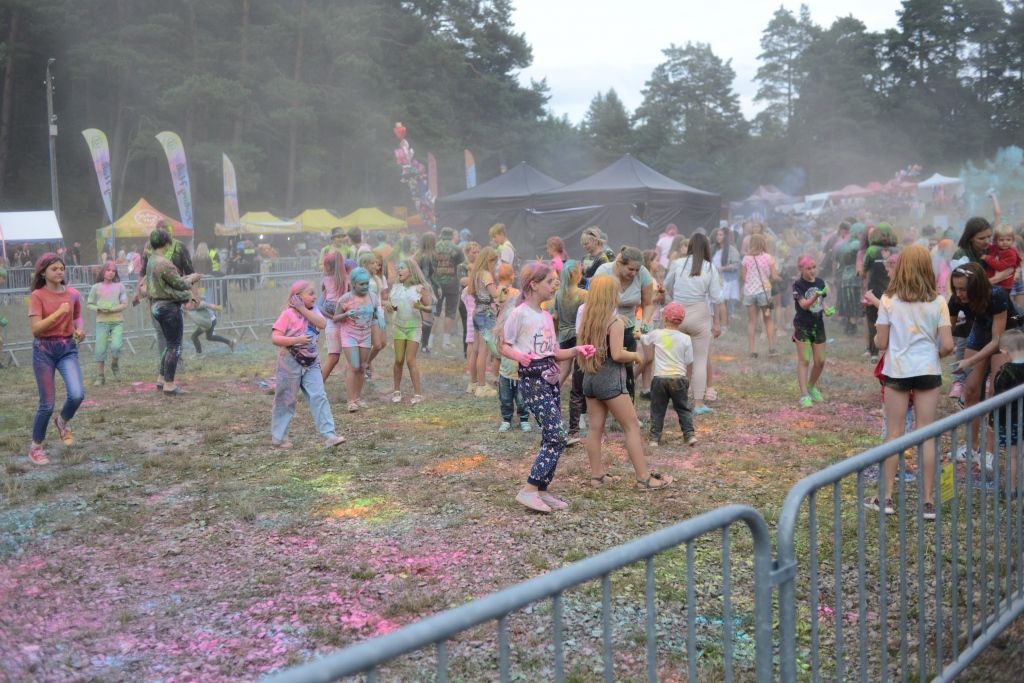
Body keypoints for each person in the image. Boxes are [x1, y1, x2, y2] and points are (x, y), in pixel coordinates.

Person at [499, 263, 596, 512]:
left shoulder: (546, 317)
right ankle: (529, 489)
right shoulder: (519, 314)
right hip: (533, 381)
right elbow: (503, 345)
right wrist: (519, 357)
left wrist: (576, 350)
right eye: (550, 281)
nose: (555, 285)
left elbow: (554, 353)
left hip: (550, 380)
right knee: (557, 436)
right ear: (533, 285)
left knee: (552, 437)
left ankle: (541, 491)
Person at [866, 245, 953, 519]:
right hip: (928, 370)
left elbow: (881, 343)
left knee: (894, 433)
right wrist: (933, 355)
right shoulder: (939, 302)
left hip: (898, 371)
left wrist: (880, 334)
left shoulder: (888, 300)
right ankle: (928, 502)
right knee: (926, 433)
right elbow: (948, 345)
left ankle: (885, 498)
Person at [576, 275, 673, 491]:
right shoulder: (615, 322)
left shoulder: (587, 320)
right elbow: (618, 354)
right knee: (631, 427)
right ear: (611, 295)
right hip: (611, 380)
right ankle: (644, 479)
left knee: (595, 429)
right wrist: (636, 356)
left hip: (590, 379)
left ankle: (597, 476)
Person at [949, 262, 1011, 470]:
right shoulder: (956, 299)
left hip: (1005, 337)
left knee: (995, 393)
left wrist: (970, 361)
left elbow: (997, 340)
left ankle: (989, 452)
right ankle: (971, 446)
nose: (959, 294)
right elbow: (946, 330)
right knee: (971, 389)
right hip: (979, 333)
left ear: (975, 286)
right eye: (955, 288)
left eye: (963, 289)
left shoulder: (997, 296)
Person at [270, 281, 346, 450]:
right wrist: (296, 340)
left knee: (319, 396)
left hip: (311, 362)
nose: (314, 296)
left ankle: (329, 435)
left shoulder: (314, 311)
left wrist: (302, 309)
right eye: (310, 294)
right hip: (289, 363)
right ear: (297, 297)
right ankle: (278, 438)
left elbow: (323, 324)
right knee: (286, 400)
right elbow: (275, 338)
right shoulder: (288, 315)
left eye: (314, 293)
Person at [27, 253, 86, 465]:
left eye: (61, 268)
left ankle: (62, 422)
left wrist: (80, 330)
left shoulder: (73, 294)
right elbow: (36, 329)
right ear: (43, 272)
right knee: (47, 403)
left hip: (67, 348)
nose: (59, 272)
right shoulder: (37, 295)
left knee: (77, 394)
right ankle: (36, 448)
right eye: (54, 269)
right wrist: (57, 314)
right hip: (43, 350)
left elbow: (77, 316)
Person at [663, 233, 725, 414]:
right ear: (706, 248)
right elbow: (717, 297)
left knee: (675, 360)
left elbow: (667, 285)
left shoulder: (678, 264)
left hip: (677, 313)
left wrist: (676, 297)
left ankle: (676, 398)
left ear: (689, 246)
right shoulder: (710, 268)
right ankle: (698, 404)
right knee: (700, 360)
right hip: (699, 314)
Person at [594, 246, 655, 402]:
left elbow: (648, 304)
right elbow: (593, 303)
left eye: (637, 270)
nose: (634, 273)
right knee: (602, 368)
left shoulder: (643, 274)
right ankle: (594, 405)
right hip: (603, 327)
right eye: (630, 269)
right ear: (620, 263)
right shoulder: (604, 272)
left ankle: (627, 407)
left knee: (627, 370)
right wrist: (614, 315)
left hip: (628, 329)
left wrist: (645, 321)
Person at [146, 229, 202, 395]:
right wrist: (192, 278)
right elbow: (179, 284)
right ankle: (169, 384)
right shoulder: (164, 263)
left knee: (169, 344)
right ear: (166, 242)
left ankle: (161, 377)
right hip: (169, 307)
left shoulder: (151, 261)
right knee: (175, 346)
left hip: (156, 305)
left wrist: (185, 279)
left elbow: (170, 281)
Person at [638, 302, 696, 447]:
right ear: (681, 321)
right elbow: (689, 360)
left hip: (660, 378)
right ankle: (689, 435)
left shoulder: (657, 334)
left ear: (664, 319)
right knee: (683, 408)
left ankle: (654, 439)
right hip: (679, 378)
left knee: (657, 410)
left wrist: (640, 333)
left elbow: (644, 338)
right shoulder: (686, 338)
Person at [335, 267, 381, 412]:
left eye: (367, 283)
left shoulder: (372, 297)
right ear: (353, 284)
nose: (365, 286)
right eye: (362, 284)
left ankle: (357, 398)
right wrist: (346, 314)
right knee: (354, 366)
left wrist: (379, 320)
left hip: (365, 335)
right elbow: (336, 318)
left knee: (362, 367)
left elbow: (375, 312)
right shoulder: (346, 299)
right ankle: (350, 401)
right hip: (350, 335)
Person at [387, 259, 433, 404]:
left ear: (411, 271)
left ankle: (417, 393)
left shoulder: (419, 289)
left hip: (414, 328)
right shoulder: (396, 288)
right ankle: (396, 390)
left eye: (402, 268)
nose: (399, 271)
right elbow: (395, 306)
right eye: (399, 268)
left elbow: (429, 307)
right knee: (399, 359)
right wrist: (390, 307)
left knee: (410, 360)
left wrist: (421, 307)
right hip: (399, 327)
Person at [552, 261, 587, 444]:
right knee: (579, 376)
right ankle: (579, 416)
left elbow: (556, 316)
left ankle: (550, 394)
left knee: (564, 370)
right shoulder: (583, 294)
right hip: (579, 337)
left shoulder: (559, 293)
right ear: (576, 275)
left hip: (564, 336)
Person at [493, 269, 532, 432]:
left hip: (522, 370)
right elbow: (500, 344)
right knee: (505, 397)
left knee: (522, 398)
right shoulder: (509, 314)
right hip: (506, 369)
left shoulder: (528, 318)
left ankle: (524, 419)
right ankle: (506, 419)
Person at [990, 328, 1024, 500]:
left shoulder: (1005, 372)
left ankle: (1011, 489)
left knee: (1012, 455)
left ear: (1004, 351)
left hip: (1010, 421)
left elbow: (998, 398)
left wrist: (993, 419)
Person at [792, 256, 830, 408]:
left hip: (818, 326)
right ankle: (804, 395)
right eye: (808, 268)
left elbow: (822, 301)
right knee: (804, 360)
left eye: (814, 267)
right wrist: (816, 295)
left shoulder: (820, 282)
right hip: (803, 326)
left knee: (820, 361)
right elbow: (804, 305)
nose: (812, 271)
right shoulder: (798, 285)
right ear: (801, 269)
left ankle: (811, 386)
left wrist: (827, 310)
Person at [861, 224, 899, 363]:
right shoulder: (897, 250)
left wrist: (860, 272)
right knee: (892, 320)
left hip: (874, 290)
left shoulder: (871, 250)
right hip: (892, 290)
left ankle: (874, 354)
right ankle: (889, 350)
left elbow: (864, 270)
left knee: (873, 321)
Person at [467, 246, 502, 397]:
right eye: (494, 262)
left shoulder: (476, 274)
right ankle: (482, 386)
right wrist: (502, 289)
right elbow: (495, 294)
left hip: (477, 311)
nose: (495, 265)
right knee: (484, 351)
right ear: (489, 261)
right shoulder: (486, 275)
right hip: (486, 312)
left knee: (475, 350)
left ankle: (473, 383)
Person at [86, 261, 128, 386]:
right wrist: (98, 308)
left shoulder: (120, 286)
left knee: (116, 346)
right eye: (108, 270)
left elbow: (124, 303)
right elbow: (89, 303)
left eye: (113, 271)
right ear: (103, 271)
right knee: (100, 349)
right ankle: (101, 376)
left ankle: (114, 364)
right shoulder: (96, 287)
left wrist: (113, 309)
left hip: (117, 321)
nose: (111, 273)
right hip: (102, 322)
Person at [741, 233, 778, 358]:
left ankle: (752, 350)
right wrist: (767, 276)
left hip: (749, 292)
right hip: (764, 292)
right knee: (768, 320)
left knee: (752, 322)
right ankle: (771, 348)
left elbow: (744, 278)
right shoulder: (768, 258)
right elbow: (775, 277)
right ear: (763, 243)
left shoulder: (746, 259)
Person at [433, 227, 466, 350]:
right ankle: (445, 342)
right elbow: (463, 264)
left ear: (441, 236)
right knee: (450, 312)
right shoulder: (457, 249)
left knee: (435, 311)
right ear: (451, 236)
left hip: (437, 284)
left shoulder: (434, 248)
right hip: (452, 284)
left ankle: (429, 341)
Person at [319, 252, 349, 383]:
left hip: (337, 316)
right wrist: (335, 317)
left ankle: (317, 386)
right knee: (334, 358)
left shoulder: (326, 279)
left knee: (335, 358)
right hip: (339, 316)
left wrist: (332, 316)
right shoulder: (347, 279)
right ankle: (317, 386)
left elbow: (322, 304)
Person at [359, 251, 389, 379]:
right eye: (374, 263)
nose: (377, 266)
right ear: (366, 264)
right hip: (368, 315)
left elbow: (379, 299)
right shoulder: (362, 279)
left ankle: (365, 365)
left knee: (383, 343)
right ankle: (365, 367)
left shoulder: (377, 279)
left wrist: (388, 303)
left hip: (378, 313)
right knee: (375, 344)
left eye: (378, 264)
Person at [837, 224, 865, 336]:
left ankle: (848, 327)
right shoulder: (857, 244)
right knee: (855, 302)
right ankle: (852, 328)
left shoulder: (845, 244)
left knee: (848, 303)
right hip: (855, 276)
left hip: (845, 275)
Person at [415, 232, 440, 353]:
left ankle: (423, 345)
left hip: (419, 288)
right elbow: (424, 278)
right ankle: (421, 345)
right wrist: (432, 294)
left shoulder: (421, 255)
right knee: (428, 319)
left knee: (427, 319)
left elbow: (429, 276)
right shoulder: (425, 257)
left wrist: (437, 286)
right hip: (423, 290)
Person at [711, 227, 741, 319]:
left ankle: (723, 320)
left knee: (722, 300)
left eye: (721, 235)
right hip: (715, 278)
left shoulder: (731, 250)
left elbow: (737, 264)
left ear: (726, 236)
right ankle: (718, 318)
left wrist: (723, 268)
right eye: (717, 235)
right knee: (716, 300)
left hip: (726, 279)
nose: (718, 237)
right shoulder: (714, 249)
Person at [983, 222, 1021, 292]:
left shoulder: (1011, 253)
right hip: (994, 282)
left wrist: (987, 258)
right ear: (995, 240)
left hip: (1004, 286)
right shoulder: (995, 247)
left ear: (1013, 240)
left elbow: (1000, 266)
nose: (1005, 242)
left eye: (1008, 240)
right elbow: (989, 246)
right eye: (1001, 240)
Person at [458, 241, 480, 359]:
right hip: (466, 303)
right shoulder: (462, 266)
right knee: (467, 328)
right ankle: (467, 354)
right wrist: (477, 277)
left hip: (479, 302)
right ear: (467, 253)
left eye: (478, 252)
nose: (476, 255)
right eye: (473, 252)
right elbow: (463, 281)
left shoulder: (481, 266)